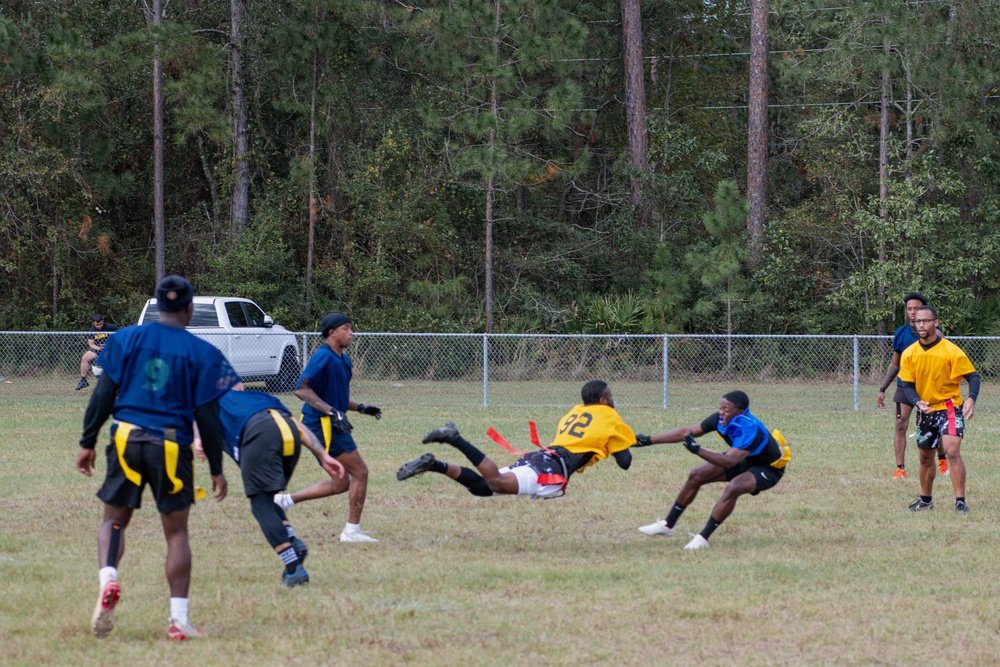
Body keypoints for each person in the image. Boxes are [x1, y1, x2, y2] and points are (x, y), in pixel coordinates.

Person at [75, 276, 241, 641]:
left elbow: (103, 394)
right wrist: (217, 467)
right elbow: (208, 417)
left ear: (157, 306)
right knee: (176, 533)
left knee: (114, 521)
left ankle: (109, 580)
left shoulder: (124, 338)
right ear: (188, 309)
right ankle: (178, 621)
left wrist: (87, 442)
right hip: (170, 443)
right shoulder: (203, 352)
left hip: (125, 436)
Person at [194, 386, 345, 586]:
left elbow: (198, 424)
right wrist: (322, 455)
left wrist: (202, 447)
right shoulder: (258, 396)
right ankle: (292, 542)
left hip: (261, 433)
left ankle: (293, 568)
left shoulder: (208, 401)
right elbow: (295, 424)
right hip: (289, 432)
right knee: (266, 497)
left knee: (260, 505)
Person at [396, 380, 636, 500]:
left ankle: (434, 464)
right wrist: (622, 444)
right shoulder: (611, 417)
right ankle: (454, 438)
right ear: (604, 401)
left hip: (542, 455)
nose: (613, 399)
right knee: (497, 483)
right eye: (610, 396)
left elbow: (588, 438)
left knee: (483, 488)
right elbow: (624, 461)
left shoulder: (574, 411)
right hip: (552, 469)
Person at [274, 313, 382, 543]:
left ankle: (285, 502)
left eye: (351, 328)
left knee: (342, 483)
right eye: (346, 328)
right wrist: (332, 412)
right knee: (360, 472)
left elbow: (336, 400)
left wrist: (361, 408)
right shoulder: (323, 356)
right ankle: (351, 532)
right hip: (321, 425)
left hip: (330, 423)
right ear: (332, 332)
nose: (351, 333)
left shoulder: (344, 360)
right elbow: (301, 389)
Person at [635, 390, 790, 550]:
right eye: (720, 408)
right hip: (744, 459)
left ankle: (703, 538)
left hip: (768, 468)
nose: (721, 412)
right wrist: (648, 440)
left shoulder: (749, 428)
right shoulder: (719, 419)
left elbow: (730, 461)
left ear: (740, 412)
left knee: (734, 487)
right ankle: (667, 525)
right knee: (697, 475)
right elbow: (685, 432)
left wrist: (698, 450)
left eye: (727, 410)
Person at [898, 305, 980, 514]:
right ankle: (926, 501)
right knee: (925, 457)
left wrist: (971, 398)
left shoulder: (950, 350)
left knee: (952, 450)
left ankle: (960, 502)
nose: (921, 324)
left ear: (936, 322)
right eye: (918, 321)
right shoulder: (909, 353)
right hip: (926, 410)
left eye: (926, 320)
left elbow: (973, 377)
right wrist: (917, 401)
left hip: (950, 407)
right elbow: (906, 384)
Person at [876, 292, 948, 478]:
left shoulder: (936, 334)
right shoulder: (901, 332)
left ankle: (942, 460)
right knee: (900, 424)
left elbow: (946, 360)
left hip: (929, 387)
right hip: (905, 386)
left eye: (917, 308)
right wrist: (882, 388)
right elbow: (895, 364)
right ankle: (900, 468)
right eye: (909, 309)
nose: (913, 312)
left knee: (934, 426)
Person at [76, 314, 119, 390]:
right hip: (98, 350)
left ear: (103, 321)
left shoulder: (110, 327)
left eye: (100, 324)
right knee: (86, 357)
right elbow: (91, 344)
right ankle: (83, 380)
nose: (99, 326)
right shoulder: (92, 330)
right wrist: (99, 348)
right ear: (93, 323)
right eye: (97, 325)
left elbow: (121, 335)